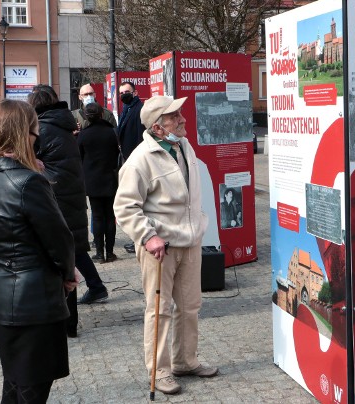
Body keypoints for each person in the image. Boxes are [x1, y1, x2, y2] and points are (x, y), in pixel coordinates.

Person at [0, 99, 78, 403]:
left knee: (16, 383)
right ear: (24, 134)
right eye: (35, 133)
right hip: (33, 301)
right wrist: (68, 273)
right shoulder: (28, 181)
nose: (38, 139)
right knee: (31, 388)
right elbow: (59, 239)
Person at [113, 96, 218, 395]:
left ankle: (186, 360)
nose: (183, 119)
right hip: (160, 247)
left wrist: (200, 224)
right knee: (160, 310)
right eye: (175, 116)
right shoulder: (140, 160)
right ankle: (159, 371)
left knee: (190, 306)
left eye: (180, 113)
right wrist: (148, 237)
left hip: (190, 241)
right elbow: (125, 207)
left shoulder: (184, 146)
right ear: (158, 127)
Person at [28, 85, 109, 315]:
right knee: (74, 245)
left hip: (56, 194)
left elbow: (28, 159)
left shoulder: (41, 129)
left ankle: (74, 300)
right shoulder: (61, 124)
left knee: (67, 246)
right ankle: (95, 286)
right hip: (69, 191)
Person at [77, 102, 119, 263]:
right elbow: (116, 153)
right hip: (109, 178)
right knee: (110, 216)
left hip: (92, 180)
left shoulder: (83, 135)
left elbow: (79, 156)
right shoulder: (110, 132)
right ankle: (110, 252)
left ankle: (99, 253)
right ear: (102, 114)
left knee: (97, 216)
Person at [117, 82, 146, 254]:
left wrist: (135, 158)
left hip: (135, 158)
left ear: (135, 93)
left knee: (138, 200)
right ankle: (136, 238)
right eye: (121, 93)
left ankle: (139, 238)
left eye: (126, 92)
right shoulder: (126, 109)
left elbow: (139, 136)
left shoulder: (138, 109)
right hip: (127, 157)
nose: (123, 95)